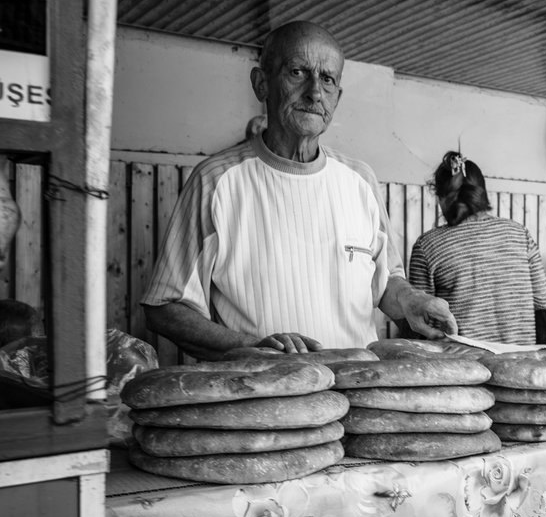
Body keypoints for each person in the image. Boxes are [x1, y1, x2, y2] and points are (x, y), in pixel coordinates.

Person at [142, 21, 456, 360]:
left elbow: (385, 283)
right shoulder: (216, 180)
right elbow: (165, 306)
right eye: (297, 72)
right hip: (263, 388)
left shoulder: (360, 180)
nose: (315, 92)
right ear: (261, 84)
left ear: (337, 97)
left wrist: (411, 300)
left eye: (327, 79)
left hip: (360, 386)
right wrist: (248, 345)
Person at [407, 152, 546, 344]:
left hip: (460, 361)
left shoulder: (427, 246)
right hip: (518, 359)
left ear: (441, 197)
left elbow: (420, 318)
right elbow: (543, 299)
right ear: (481, 192)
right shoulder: (519, 234)